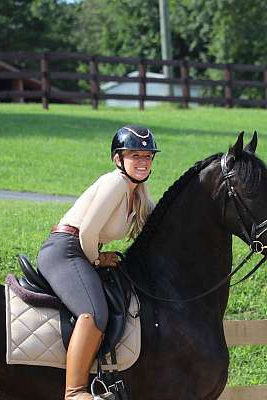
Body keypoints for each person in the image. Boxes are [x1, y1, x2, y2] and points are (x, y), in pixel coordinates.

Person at [37, 125, 159, 400]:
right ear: (119, 159)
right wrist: (97, 258)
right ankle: (75, 391)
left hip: (80, 249)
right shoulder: (116, 183)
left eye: (147, 156)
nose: (142, 161)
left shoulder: (138, 191)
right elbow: (88, 231)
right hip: (66, 250)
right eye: (135, 155)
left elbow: (156, 220)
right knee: (94, 311)